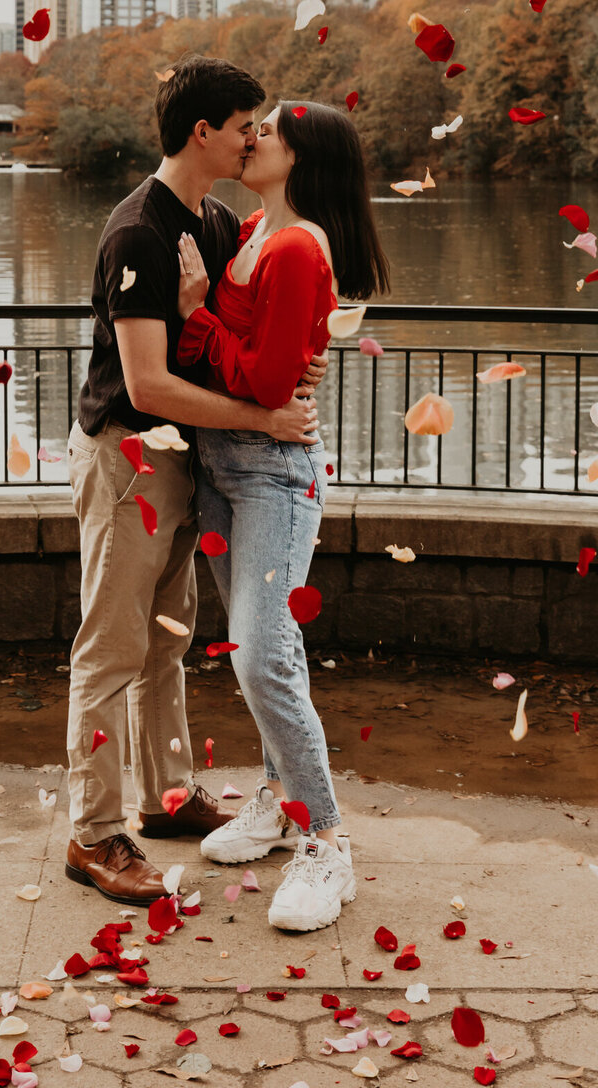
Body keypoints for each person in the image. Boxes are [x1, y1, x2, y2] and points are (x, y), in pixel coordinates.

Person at [64, 57, 325, 909]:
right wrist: (266, 420)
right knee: (111, 647)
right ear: (203, 131)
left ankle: (164, 797)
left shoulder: (213, 220)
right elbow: (145, 385)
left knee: (168, 638)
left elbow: (241, 337)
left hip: (189, 462)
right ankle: (95, 833)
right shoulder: (138, 229)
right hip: (129, 457)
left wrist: (299, 368)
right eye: (245, 124)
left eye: (262, 126)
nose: (255, 136)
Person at [175, 98, 390, 934]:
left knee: (266, 654)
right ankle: (274, 800)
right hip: (219, 469)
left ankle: (327, 841)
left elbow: (265, 385)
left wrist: (197, 314)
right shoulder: (251, 231)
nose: (252, 135)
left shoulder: (298, 246)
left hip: (271, 473)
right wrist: (206, 322)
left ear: (300, 158)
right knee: (251, 649)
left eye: (269, 130)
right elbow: (235, 362)